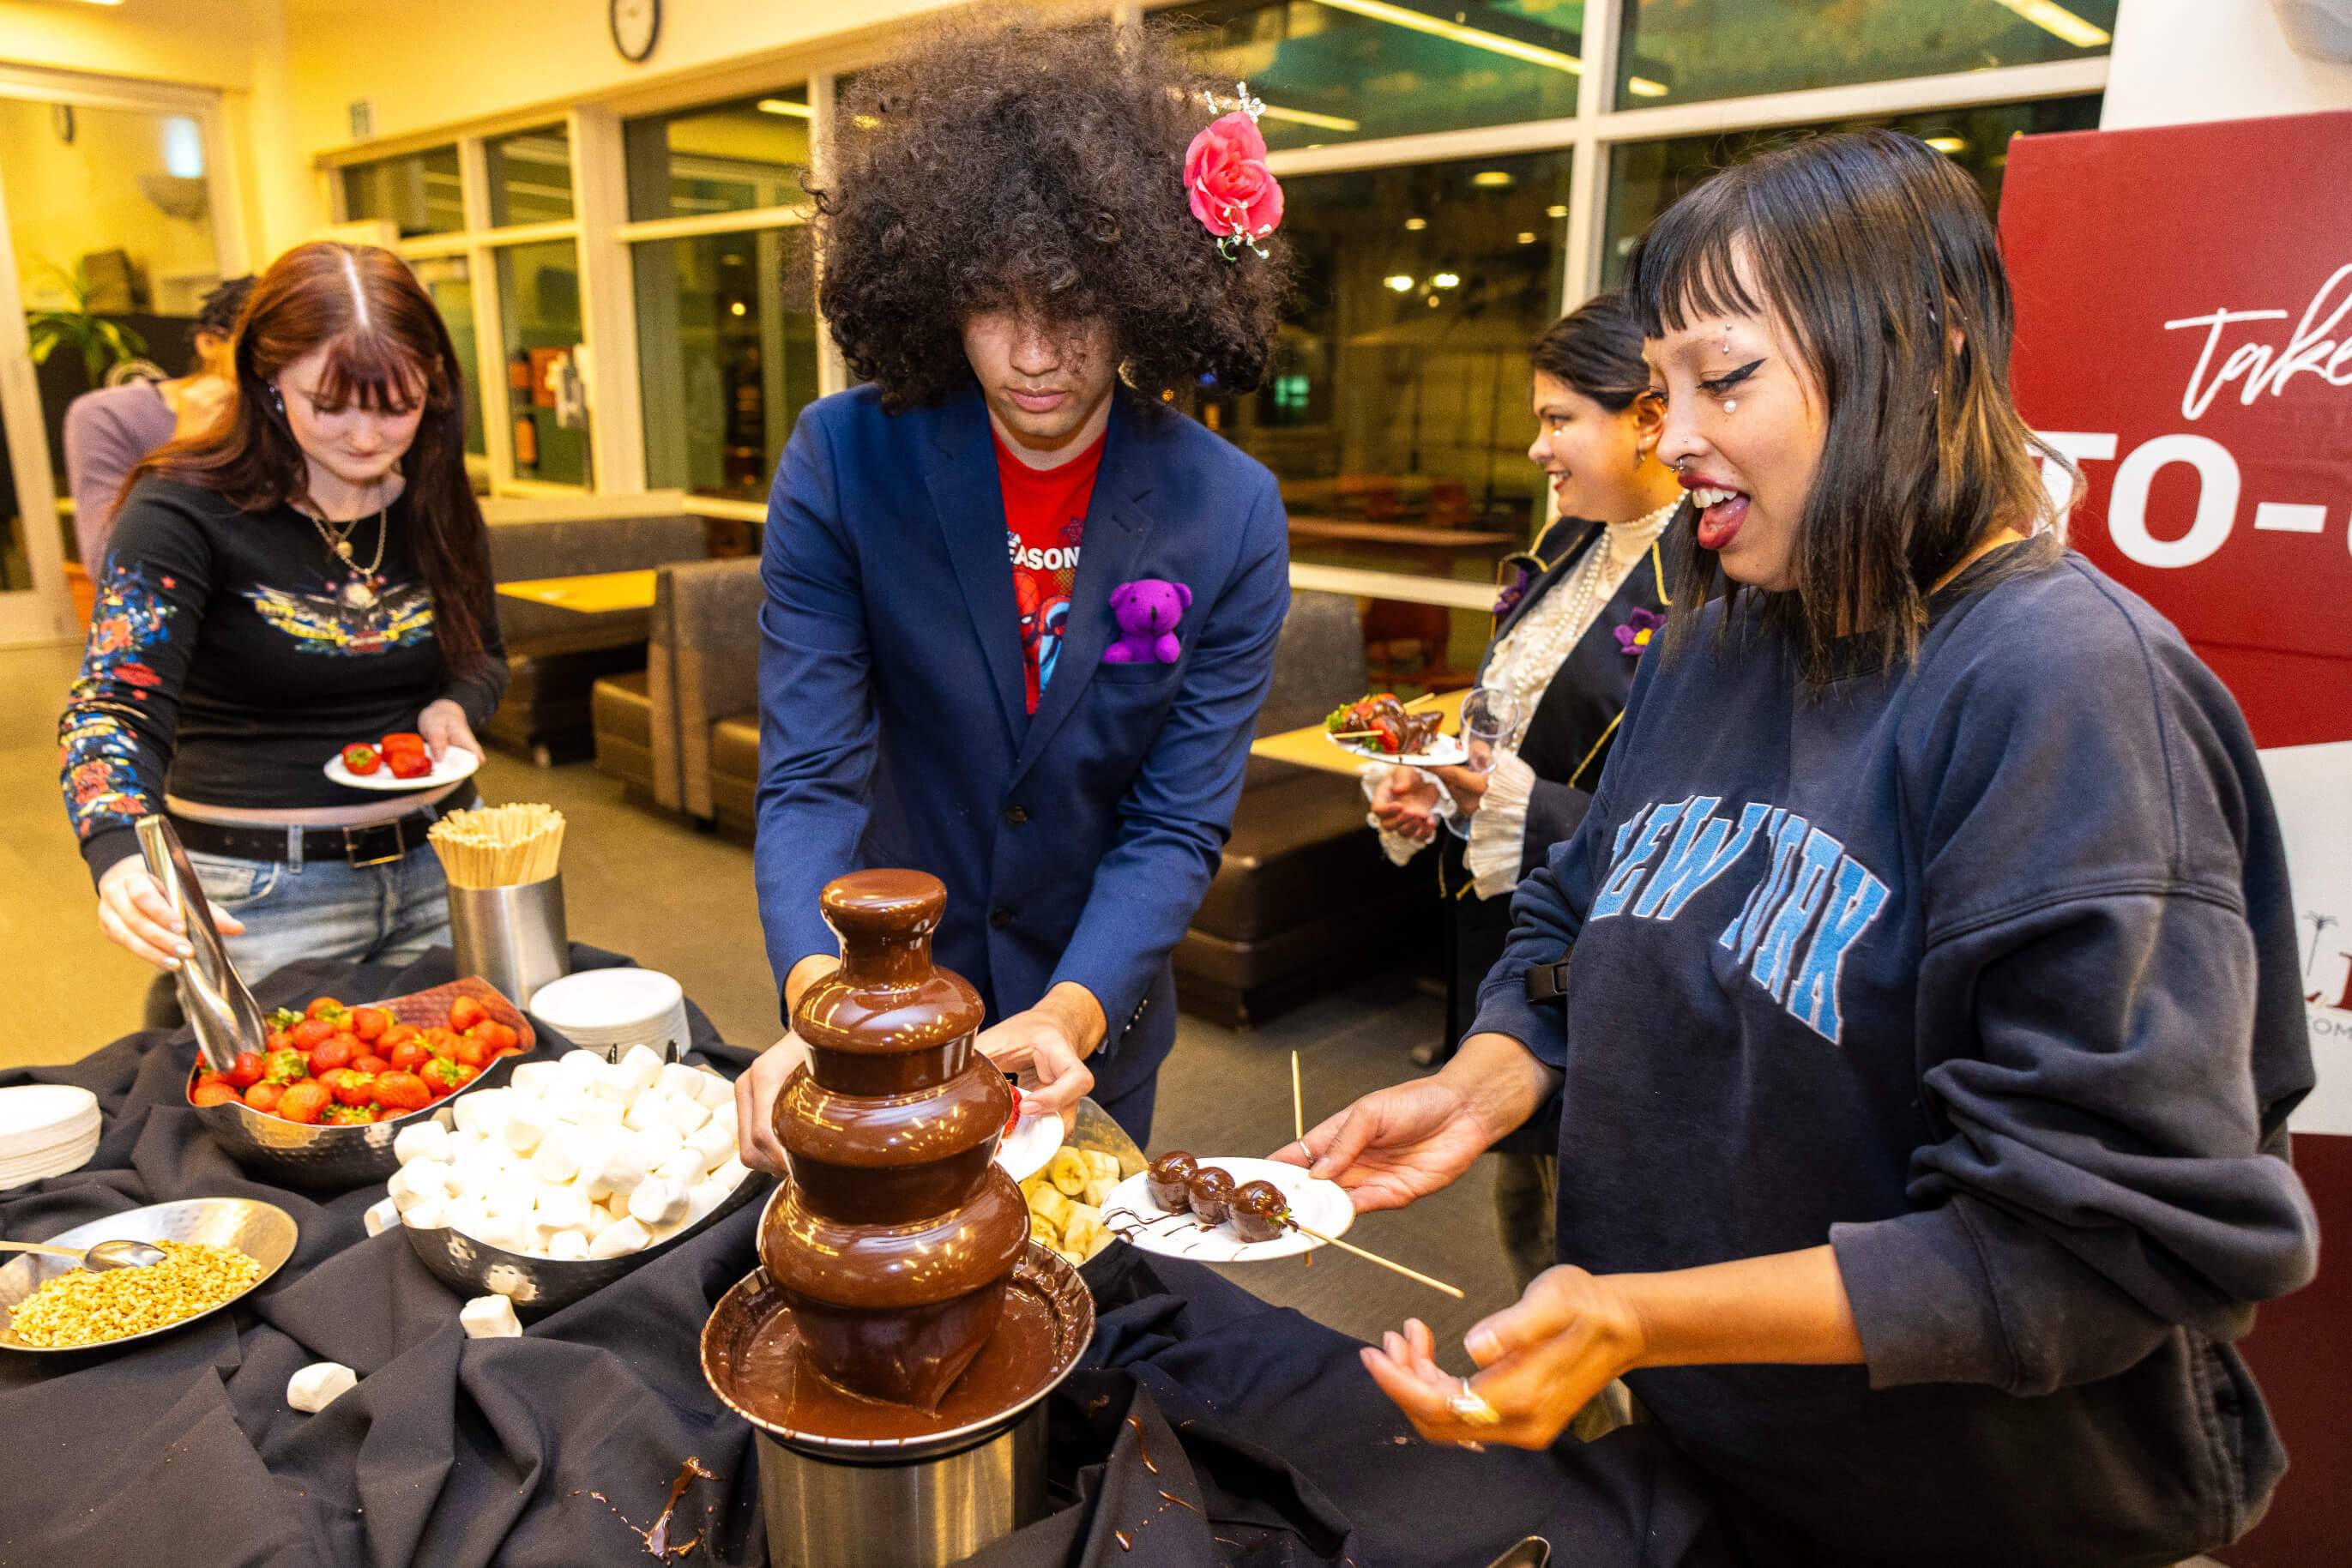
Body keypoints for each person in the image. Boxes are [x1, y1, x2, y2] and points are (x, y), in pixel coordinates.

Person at [1282, 130, 2317, 1567]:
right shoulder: (1721, 640)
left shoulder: (2064, 690)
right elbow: (1577, 907)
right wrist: (1484, 1076)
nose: (1678, 435)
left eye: (1727, 378)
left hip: (1969, 1514)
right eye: (1662, 390)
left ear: (1922, 348)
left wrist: (1644, 1310)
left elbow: (2096, 1245)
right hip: (1715, 1460)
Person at [733, 20, 1291, 1160]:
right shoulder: (844, 461)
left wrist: (1068, 1009)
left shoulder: (1228, 511)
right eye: (993, 301)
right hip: (885, 994)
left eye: (1074, 303)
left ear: (1145, 289)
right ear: (936, 289)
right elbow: (807, 779)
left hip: (1092, 1017)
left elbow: (1175, 822)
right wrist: (820, 1000)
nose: (1033, 353)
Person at [59, 242, 505, 986]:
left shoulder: (435, 497)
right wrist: (116, 852)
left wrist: (457, 706)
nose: (366, 439)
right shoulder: (179, 508)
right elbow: (113, 707)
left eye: (398, 407)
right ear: (268, 384)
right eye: (329, 407)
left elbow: (483, 654)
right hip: (259, 893)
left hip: (449, 859)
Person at [1366, 292, 1684, 1292]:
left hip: (1607, 971)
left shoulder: (1715, 585)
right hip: (1508, 942)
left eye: (1559, 420)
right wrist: (1445, 790)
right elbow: (1510, 727)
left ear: (1645, 415)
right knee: (1527, 1206)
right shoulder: (1566, 546)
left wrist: (1508, 801)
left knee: (1597, 1243)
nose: (1539, 448)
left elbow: (1690, 830)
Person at [63, 274, 256, 571]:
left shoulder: (301, 418)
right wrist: (185, 453)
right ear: (208, 342)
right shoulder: (108, 415)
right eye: (256, 347)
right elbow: (108, 561)